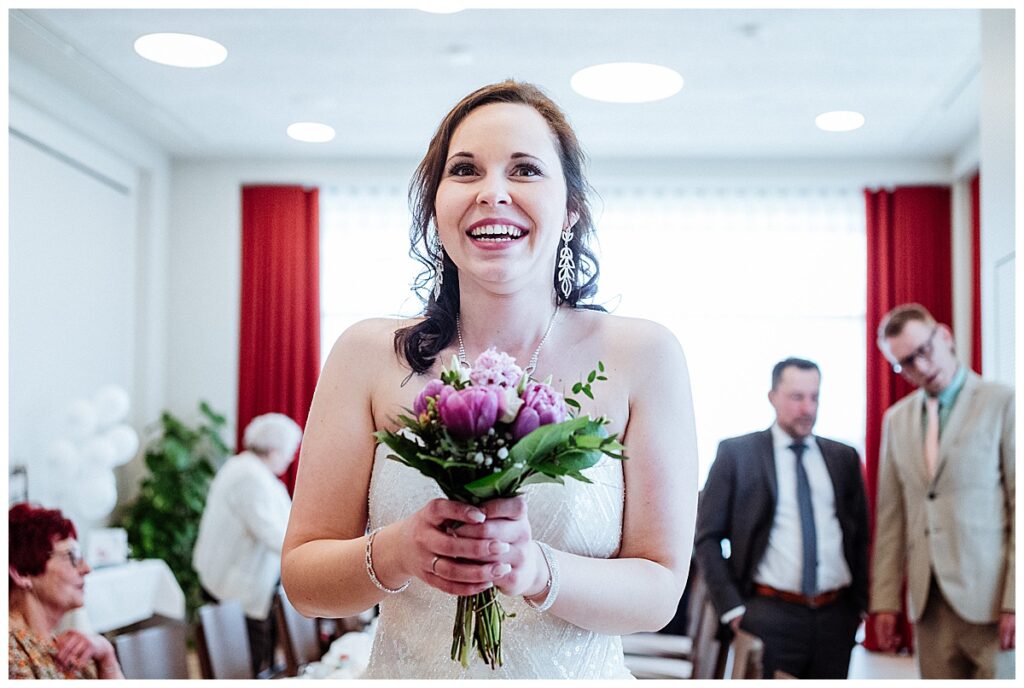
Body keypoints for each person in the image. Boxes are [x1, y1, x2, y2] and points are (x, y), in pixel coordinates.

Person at [281, 80, 698, 679]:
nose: (493, 193)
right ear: (436, 204)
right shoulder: (365, 354)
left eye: (525, 170)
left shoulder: (644, 356)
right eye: (465, 170)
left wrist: (535, 570)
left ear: (571, 209)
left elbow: (659, 590)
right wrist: (399, 551)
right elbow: (303, 579)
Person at [694, 357, 869, 679]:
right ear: (773, 397)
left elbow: (861, 537)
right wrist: (733, 609)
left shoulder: (843, 458)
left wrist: (860, 605)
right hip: (768, 613)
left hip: (836, 617)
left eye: (814, 397)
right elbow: (707, 537)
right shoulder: (737, 454)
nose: (808, 408)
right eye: (797, 397)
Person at [871, 303, 1014, 679]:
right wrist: (884, 601)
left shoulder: (1003, 402)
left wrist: (1016, 601)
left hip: (992, 603)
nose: (920, 367)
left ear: (945, 336)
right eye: (905, 363)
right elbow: (891, 518)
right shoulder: (896, 420)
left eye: (924, 351)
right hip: (929, 604)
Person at [192, 412, 302, 676]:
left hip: (243, 583)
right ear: (274, 449)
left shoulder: (254, 472)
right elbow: (273, 533)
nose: (291, 457)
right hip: (233, 586)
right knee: (242, 665)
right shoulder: (249, 476)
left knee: (255, 658)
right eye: (289, 451)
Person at [9, 503, 124, 679]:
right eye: (72, 556)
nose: (86, 568)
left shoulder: (65, 647)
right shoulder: (10, 652)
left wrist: (107, 656)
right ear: (21, 573)